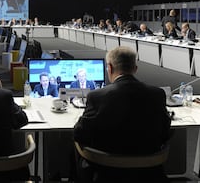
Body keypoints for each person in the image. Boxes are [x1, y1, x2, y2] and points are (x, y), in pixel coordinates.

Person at [73, 46, 171, 182]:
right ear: (135, 68)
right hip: (148, 171)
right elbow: (165, 132)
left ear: (110, 68)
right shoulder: (157, 94)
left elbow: (79, 133)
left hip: (106, 171)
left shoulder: (97, 96)